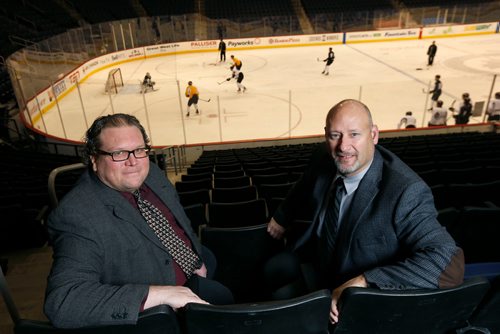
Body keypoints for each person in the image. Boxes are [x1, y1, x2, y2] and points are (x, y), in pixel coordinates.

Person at [265, 99, 464, 325]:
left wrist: (365, 281)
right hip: (320, 265)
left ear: (374, 135)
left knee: (280, 316)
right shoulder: (324, 156)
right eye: (335, 135)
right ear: (325, 136)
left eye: (354, 134)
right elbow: (304, 185)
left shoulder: (405, 192)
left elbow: (448, 262)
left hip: (357, 295)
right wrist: (282, 217)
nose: (343, 146)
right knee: (271, 277)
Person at [44, 114, 233, 328]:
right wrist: (160, 294)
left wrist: (194, 256)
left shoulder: (151, 172)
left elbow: (178, 222)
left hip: (193, 272)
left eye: (139, 150)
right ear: (95, 160)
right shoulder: (78, 215)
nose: (133, 161)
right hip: (163, 313)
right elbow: (63, 302)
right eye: (119, 153)